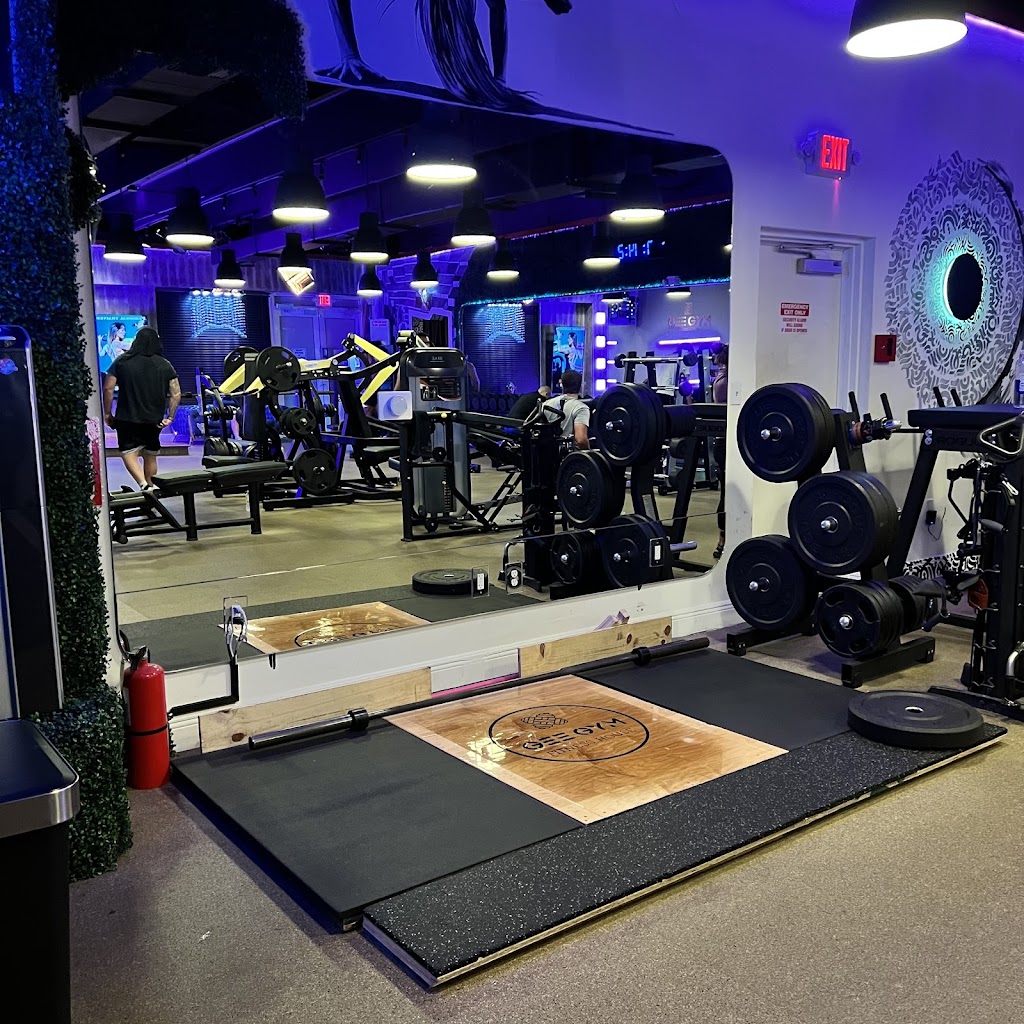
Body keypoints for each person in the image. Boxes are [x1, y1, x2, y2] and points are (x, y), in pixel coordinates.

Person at [103, 327, 180, 490]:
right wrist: (170, 417)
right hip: (154, 419)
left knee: (128, 452)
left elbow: (108, 388)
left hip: (127, 417)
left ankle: (143, 484)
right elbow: (176, 393)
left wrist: (107, 413)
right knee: (150, 455)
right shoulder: (165, 364)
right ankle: (151, 487)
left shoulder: (122, 361)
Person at [541, 369, 590, 449]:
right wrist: (589, 453)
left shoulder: (546, 404)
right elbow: (581, 440)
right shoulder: (581, 408)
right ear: (581, 386)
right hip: (569, 454)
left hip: (546, 453)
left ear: (562, 385)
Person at [711, 345, 728, 559]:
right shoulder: (726, 381)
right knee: (727, 492)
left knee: (727, 491)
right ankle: (723, 539)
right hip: (725, 442)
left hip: (723, 441)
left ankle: (723, 539)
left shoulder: (722, 377)